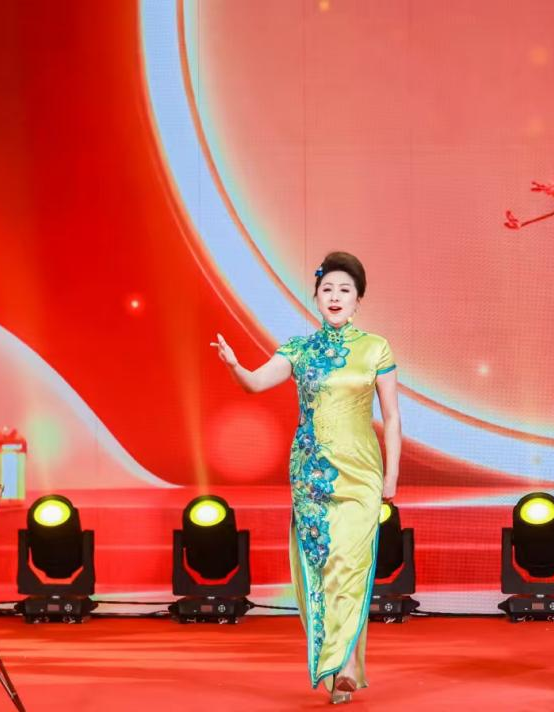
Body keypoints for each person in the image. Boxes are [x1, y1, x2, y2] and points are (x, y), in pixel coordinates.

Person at [211, 251, 401, 705]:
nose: (335, 297)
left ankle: (345, 664)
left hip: (362, 474)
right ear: (315, 297)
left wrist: (392, 474)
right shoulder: (298, 349)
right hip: (312, 474)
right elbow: (255, 383)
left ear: (358, 300)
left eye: (345, 290)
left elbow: (392, 417)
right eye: (327, 289)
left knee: (352, 565)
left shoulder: (376, 348)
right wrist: (235, 365)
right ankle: (338, 667)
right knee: (325, 568)